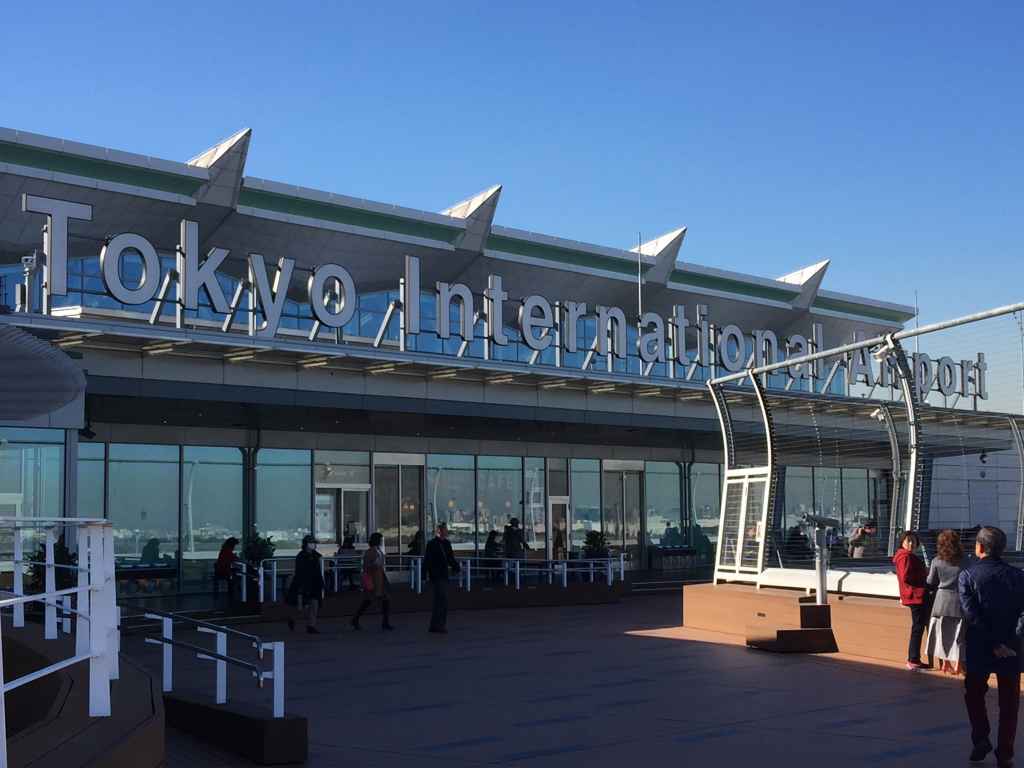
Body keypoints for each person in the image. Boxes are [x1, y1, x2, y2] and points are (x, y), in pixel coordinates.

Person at [958, 526, 1024, 766]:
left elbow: (971, 614)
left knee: (974, 694)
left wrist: (993, 642)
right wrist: (1008, 641)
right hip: (1011, 648)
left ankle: (980, 738)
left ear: (980, 547)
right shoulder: (1018, 576)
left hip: (980, 646)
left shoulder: (967, 576)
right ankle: (1005, 753)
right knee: (1009, 703)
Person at [926, 529, 965, 675]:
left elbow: (930, 581)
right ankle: (958, 665)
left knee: (941, 634)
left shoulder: (936, 561)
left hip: (941, 600)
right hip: (959, 600)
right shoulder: (965, 560)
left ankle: (945, 664)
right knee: (959, 634)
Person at [892, 530, 929, 670]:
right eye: (908, 541)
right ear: (902, 542)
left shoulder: (903, 556)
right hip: (915, 596)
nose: (911, 543)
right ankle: (913, 659)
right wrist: (923, 576)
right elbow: (906, 576)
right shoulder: (906, 557)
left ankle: (914, 658)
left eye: (913, 541)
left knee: (917, 627)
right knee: (917, 628)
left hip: (912, 596)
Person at [423, 522, 461, 634]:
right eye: (445, 529)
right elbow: (450, 558)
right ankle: (439, 625)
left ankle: (435, 625)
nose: (447, 531)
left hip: (437, 575)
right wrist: (456, 568)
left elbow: (428, 560)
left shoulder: (432, 544)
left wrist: (424, 574)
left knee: (438, 601)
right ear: (440, 531)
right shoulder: (443, 544)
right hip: (440, 575)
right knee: (442, 601)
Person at [351, 532, 394, 631]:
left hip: (379, 578)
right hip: (373, 578)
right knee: (369, 600)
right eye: (381, 540)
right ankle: (356, 619)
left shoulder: (377, 550)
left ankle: (385, 622)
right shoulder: (371, 552)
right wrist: (375, 564)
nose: (382, 541)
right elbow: (367, 566)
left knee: (383, 600)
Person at [286, 534, 324, 634]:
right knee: (300, 607)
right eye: (312, 543)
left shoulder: (316, 556)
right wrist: (300, 587)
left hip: (314, 584)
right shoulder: (301, 556)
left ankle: (311, 626)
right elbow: (300, 573)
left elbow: (318, 571)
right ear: (306, 544)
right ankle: (292, 618)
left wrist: (321, 583)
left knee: (314, 605)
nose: (314, 545)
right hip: (303, 585)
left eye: (314, 543)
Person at [213, 536, 240, 606]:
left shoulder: (224, 550)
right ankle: (234, 595)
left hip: (221, 570)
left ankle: (234, 594)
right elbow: (234, 559)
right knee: (235, 577)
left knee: (235, 575)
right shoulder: (227, 551)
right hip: (223, 571)